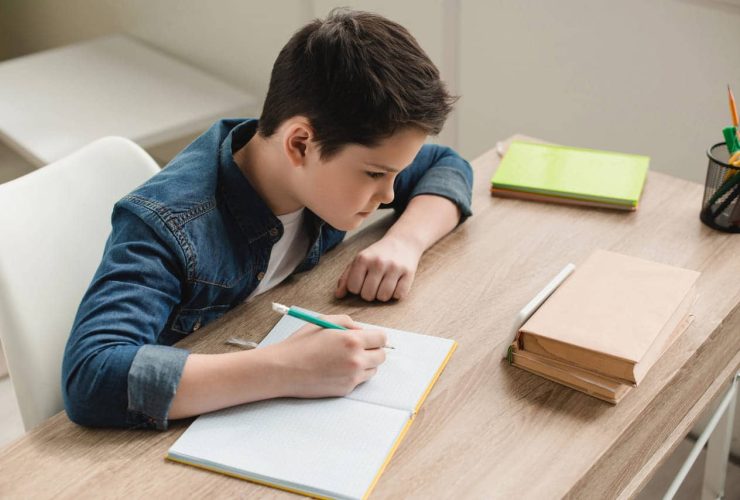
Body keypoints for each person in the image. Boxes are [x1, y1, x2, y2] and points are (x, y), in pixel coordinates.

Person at [62, 8, 473, 430]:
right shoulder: (169, 226)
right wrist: (286, 368)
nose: (388, 193)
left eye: (396, 174)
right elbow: (91, 376)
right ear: (299, 143)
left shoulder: (325, 161)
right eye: (375, 174)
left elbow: (446, 165)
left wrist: (403, 241)